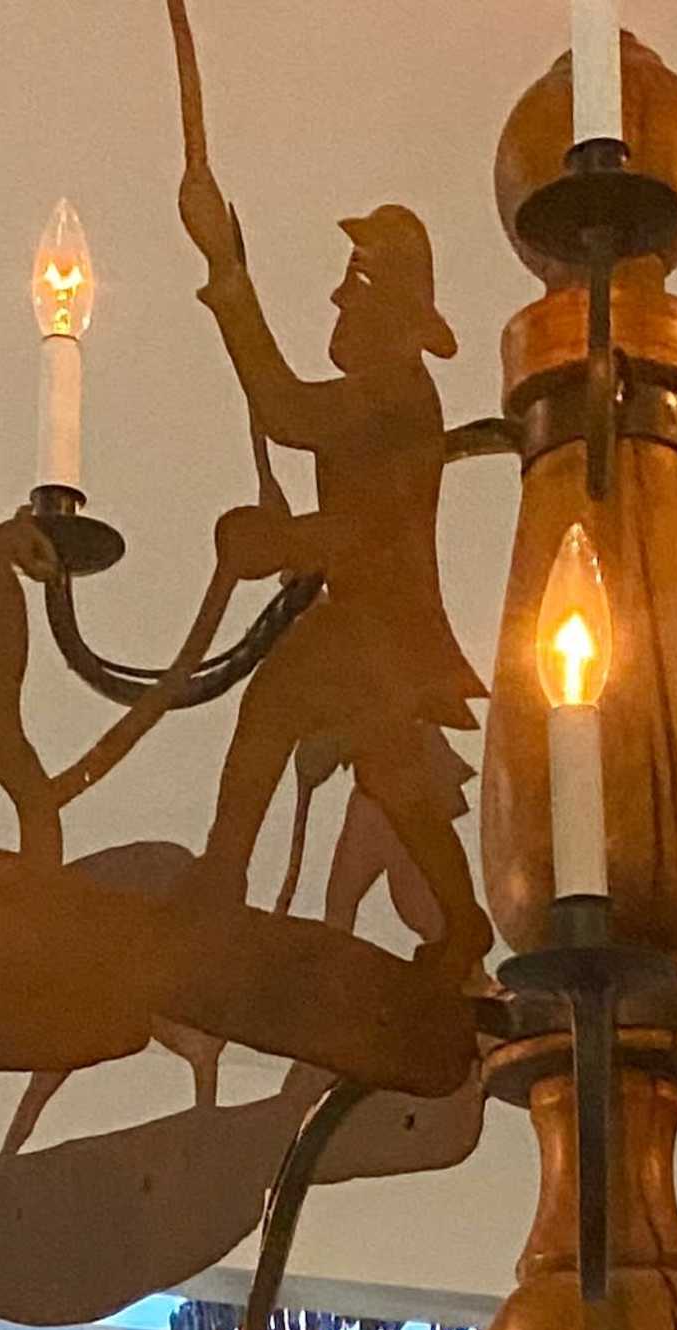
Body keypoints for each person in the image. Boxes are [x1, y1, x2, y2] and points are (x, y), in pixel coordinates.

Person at [173, 179, 487, 985]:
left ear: (392, 313)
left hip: (376, 626)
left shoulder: (391, 395)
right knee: (394, 777)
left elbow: (296, 425)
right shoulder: (388, 392)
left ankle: (221, 881)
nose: (339, 302)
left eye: (358, 289)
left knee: (273, 709)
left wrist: (228, 278)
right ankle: (464, 926)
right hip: (368, 622)